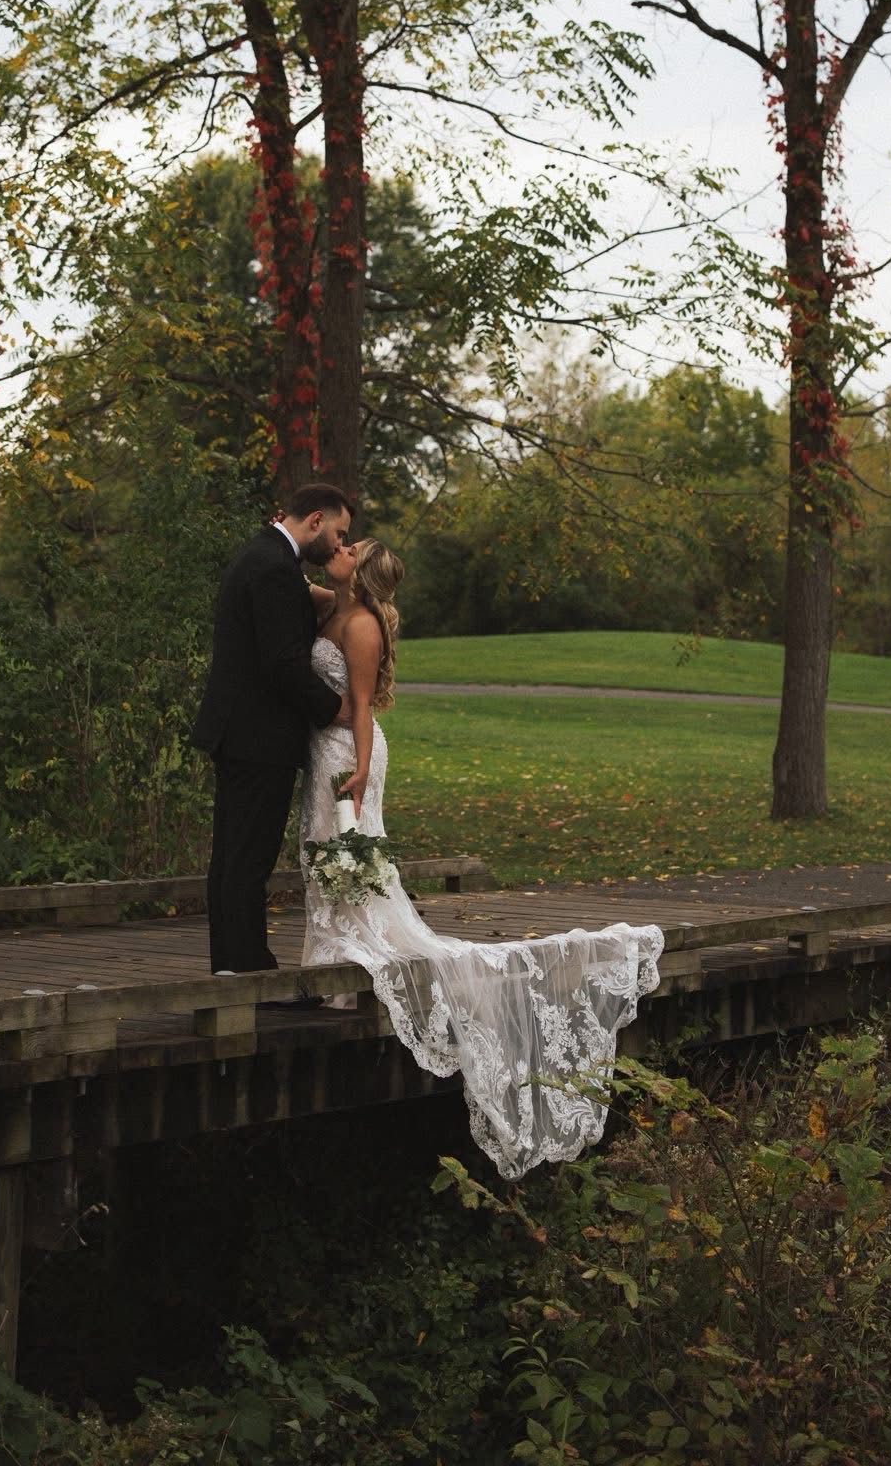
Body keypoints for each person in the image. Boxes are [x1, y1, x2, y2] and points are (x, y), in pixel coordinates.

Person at [301, 539, 664, 1179]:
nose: (341, 545)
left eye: (350, 546)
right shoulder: (335, 603)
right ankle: (331, 953)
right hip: (322, 751)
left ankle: (348, 957)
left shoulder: (358, 624)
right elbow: (287, 584)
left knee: (345, 856)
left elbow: (360, 706)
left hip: (347, 754)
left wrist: (358, 770)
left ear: (359, 572)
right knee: (325, 856)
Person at [193, 482, 355, 976]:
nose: (339, 542)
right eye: (339, 532)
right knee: (247, 858)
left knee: (233, 855)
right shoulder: (272, 569)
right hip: (256, 736)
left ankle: (234, 964)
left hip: (239, 730)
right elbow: (283, 665)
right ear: (314, 522)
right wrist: (336, 709)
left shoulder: (266, 559)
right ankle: (245, 969)